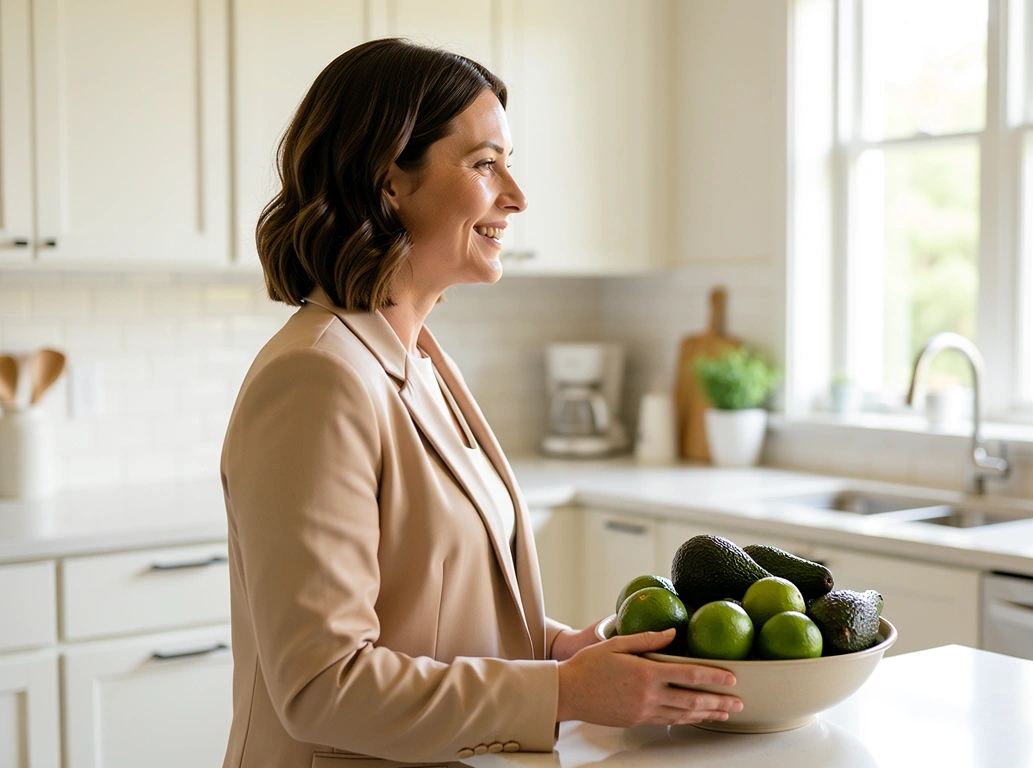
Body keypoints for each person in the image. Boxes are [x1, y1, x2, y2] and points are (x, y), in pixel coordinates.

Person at [220, 38, 741, 767]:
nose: (517, 195)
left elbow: (434, 612)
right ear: (389, 182)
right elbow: (322, 687)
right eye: (485, 163)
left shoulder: (417, 356)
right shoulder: (317, 378)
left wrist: (562, 650)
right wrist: (563, 693)